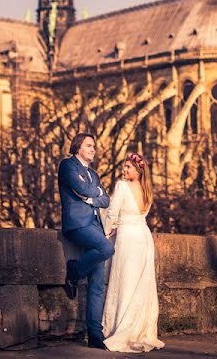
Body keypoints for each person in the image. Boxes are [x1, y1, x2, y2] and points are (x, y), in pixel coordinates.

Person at [101, 152, 165, 353]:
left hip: (128, 238)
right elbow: (138, 216)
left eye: (128, 167)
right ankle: (139, 330)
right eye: (125, 166)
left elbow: (112, 212)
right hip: (143, 237)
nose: (124, 170)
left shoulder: (122, 186)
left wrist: (106, 231)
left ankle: (122, 329)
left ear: (137, 172)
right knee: (141, 283)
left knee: (125, 282)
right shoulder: (147, 191)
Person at [58, 132, 113, 350]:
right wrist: (94, 194)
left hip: (95, 225)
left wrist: (94, 195)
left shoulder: (94, 174)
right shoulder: (67, 165)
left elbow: (105, 199)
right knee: (106, 247)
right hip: (77, 224)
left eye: (94, 146)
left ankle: (95, 335)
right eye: (89, 146)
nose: (94, 149)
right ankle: (74, 271)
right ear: (78, 147)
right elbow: (81, 189)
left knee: (98, 283)